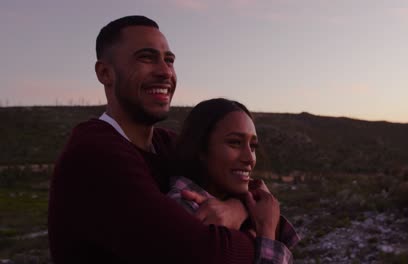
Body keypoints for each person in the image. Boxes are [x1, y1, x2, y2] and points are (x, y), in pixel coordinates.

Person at [48, 15, 292, 263]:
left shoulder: (165, 144)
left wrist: (236, 210)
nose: (165, 72)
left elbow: (254, 193)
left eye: (169, 60)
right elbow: (202, 253)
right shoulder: (94, 155)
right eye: (146, 58)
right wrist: (263, 236)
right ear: (105, 73)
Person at [168, 98, 300, 252]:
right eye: (235, 143)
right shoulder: (186, 211)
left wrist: (242, 206)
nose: (249, 158)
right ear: (200, 149)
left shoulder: (243, 204)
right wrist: (267, 231)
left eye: (253, 146)